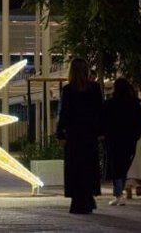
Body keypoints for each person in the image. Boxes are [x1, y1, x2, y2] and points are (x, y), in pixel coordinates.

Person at [55, 58, 103, 214]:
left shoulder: (68, 90)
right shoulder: (94, 88)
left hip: (74, 136)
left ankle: (78, 200)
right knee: (89, 166)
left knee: (75, 167)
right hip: (89, 136)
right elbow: (99, 111)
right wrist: (100, 131)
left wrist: (61, 133)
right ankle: (88, 197)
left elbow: (64, 113)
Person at [104, 77, 141, 206]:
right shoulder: (134, 104)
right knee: (124, 166)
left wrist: (105, 135)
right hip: (129, 141)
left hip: (114, 140)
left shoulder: (109, 104)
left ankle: (118, 194)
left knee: (116, 166)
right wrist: (135, 136)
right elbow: (140, 124)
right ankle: (119, 191)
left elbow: (104, 122)